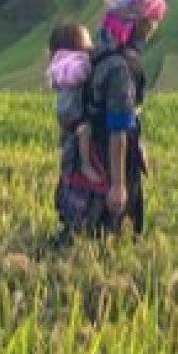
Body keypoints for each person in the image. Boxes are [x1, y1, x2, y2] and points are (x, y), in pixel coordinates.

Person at [85, 0, 169, 237]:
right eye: (154, 21)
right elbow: (118, 127)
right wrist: (118, 185)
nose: (155, 28)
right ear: (142, 24)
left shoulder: (100, 49)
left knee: (88, 223)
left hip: (90, 152)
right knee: (116, 230)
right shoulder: (123, 67)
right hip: (112, 158)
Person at [46, 22, 104, 239]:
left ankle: (72, 220)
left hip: (66, 116)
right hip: (75, 116)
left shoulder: (59, 65)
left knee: (70, 164)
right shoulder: (78, 64)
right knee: (84, 138)